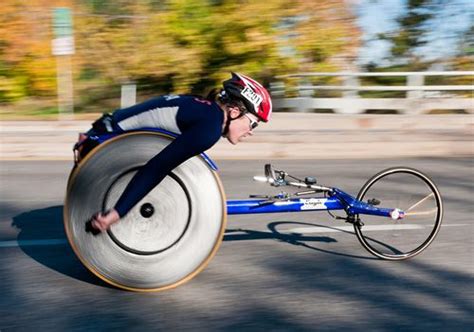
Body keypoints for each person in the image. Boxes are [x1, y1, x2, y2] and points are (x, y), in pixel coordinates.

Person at [88, 72, 272, 232]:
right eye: (253, 123)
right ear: (234, 112)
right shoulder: (210, 128)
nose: (251, 131)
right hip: (100, 141)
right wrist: (118, 213)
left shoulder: (206, 110)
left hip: (103, 131)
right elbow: (157, 167)